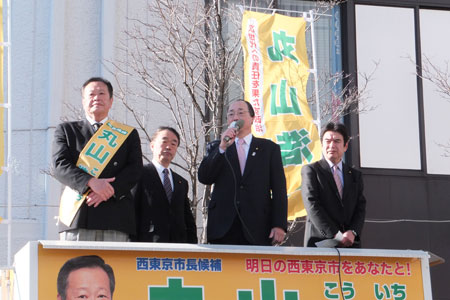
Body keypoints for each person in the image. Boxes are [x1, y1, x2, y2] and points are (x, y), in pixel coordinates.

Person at [52, 77, 143, 241]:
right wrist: (91, 182)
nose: (97, 98)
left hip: (116, 215)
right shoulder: (67, 130)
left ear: (111, 100)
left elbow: (135, 169)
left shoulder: (128, 134)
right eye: (91, 94)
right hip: (79, 214)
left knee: (115, 267)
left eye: (102, 93)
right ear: (83, 100)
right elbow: (60, 165)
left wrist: (109, 190)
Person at [198, 100, 287, 246]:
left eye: (240, 113)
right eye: (231, 114)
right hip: (223, 227)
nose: (235, 117)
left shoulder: (269, 149)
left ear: (252, 118)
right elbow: (204, 177)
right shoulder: (216, 147)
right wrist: (222, 148)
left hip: (257, 225)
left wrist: (279, 224)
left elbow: (279, 189)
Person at [301, 122, 366, 248]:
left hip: (350, 245)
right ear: (321, 144)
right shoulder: (312, 171)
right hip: (320, 243)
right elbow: (312, 205)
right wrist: (336, 235)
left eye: (337, 141)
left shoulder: (355, 175)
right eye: (327, 141)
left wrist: (353, 232)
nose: (332, 145)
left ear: (345, 146)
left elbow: (360, 207)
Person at [132, 126, 197, 243]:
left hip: (178, 247)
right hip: (148, 245)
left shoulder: (181, 182)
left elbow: (187, 219)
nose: (168, 147)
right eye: (164, 141)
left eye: (173, 144)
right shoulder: (139, 174)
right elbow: (132, 211)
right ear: (152, 146)